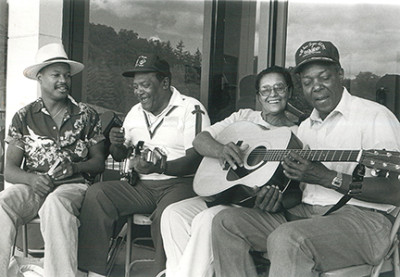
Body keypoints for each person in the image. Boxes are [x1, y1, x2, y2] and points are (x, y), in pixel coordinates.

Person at [211, 40, 400, 277]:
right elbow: (299, 194)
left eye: (324, 77)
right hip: (308, 214)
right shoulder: (305, 128)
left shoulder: (374, 116)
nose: (316, 87)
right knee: (226, 222)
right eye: (307, 82)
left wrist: (328, 177)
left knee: (288, 238)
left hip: (365, 220)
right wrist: (276, 200)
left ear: (340, 75)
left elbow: (395, 190)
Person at [78, 54, 210, 277]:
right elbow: (120, 156)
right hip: (142, 185)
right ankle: (93, 273)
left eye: (145, 85)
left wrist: (160, 168)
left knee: (167, 215)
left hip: (180, 185)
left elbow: (196, 159)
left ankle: (165, 273)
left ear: (165, 83)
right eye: (135, 86)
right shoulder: (135, 113)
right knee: (97, 194)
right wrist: (116, 144)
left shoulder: (191, 109)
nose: (139, 91)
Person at [161, 65, 297, 277]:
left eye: (279, 88)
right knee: (173, 214)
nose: (273, 95)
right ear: (258, 97)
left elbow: (296, 191)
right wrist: (221, 150)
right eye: (266, 90)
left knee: (207, 220)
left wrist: (277, 198)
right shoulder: (243, 117)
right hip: (224, 192)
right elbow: (200, 140)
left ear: (289, 91)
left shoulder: (296, 135)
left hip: (249, 206)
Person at [0, 43, 105, 277]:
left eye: (67, 75)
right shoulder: (23, 116)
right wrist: (31, 179)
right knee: (2, 201)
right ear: (40, 77)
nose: (64, 81)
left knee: (55, 204)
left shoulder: (86, 114)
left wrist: (75, 167)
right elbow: (9, 170)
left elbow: (99, 162)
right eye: (56, 75)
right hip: (35, 188)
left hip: (74, 187)